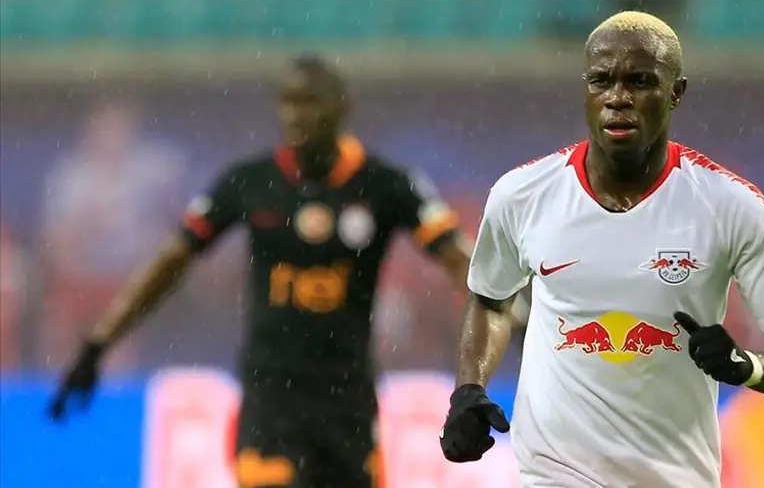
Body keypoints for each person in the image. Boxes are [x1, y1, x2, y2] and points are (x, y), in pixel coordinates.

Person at [48, 55, 508, 488]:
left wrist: (511, 314)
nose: (296, 115)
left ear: (342, 108)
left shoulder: (385, 185)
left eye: (309, 102)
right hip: (272, 396)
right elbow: (172, 261)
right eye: (288, 102)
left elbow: (461, 261)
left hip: (347, 400)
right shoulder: (250, 182)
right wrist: (99, 342)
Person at [439, 11, 764, 488]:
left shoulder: (733, 207)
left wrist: (747, 366)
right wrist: (468, 388)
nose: (618, 98)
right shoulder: (521, 194)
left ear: (676, 92)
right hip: (554, 474)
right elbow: (490, 300)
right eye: (601, 81)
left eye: (639, 82)